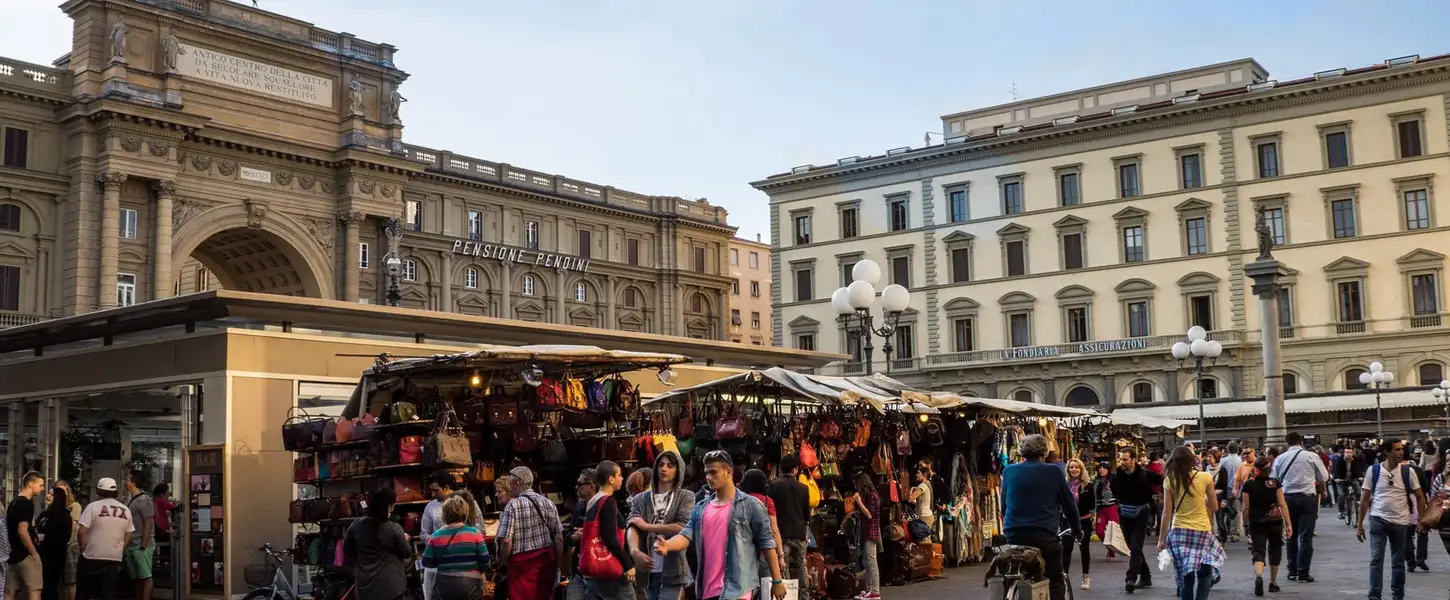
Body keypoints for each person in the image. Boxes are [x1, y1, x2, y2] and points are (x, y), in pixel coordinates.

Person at [655, 450, 785, 600]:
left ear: (728, 472)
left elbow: (767, 543)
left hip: (738, 589)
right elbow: (686, 534)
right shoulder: (701, 507)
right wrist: (667, 545)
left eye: (713, 472)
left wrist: (777, 580)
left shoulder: (750, 505)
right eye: (706, 473)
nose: (708, 477)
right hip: (707, 591)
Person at [1002, 434, 1081, 600]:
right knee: (1056, 578)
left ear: (1021, 452)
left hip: (1014, 534)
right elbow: (1069, 506)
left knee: (1012, 571)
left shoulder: (1009, 470)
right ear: (1044, 452)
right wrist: (1077, 529)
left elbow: (1004, 506)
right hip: (1044, 536)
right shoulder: (1054, 471)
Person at [1356, 439, 1428, 600]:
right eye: (1396, 450)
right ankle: (1374, 594)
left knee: (1398, 562)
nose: (1401, 453)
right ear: (1387, 452)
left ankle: (1398, 594)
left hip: (1400, 522)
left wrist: (1421, 519)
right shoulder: (1373, 471)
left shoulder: (1408, 472)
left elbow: (1420, 496)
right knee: (1376, 559)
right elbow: (1365, 498)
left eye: (1401, 449)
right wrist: (1360, 524)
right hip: (1377, 519)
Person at [1157, 445, 1223, 600]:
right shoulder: (1205, 477)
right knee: (1205, 575)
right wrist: (1202, 497)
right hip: (1202, 531)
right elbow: (1214, 507)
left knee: (1186, 577)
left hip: (1179, 530)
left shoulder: (1169, 480)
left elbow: (1166, 512)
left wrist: (1161, 539)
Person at [626, 451, 692, 600]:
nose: (664, 469)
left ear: (678, 470)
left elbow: (683, 527)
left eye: (670, 466)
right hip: (647, 570)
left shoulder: (686, 496)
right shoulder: (641, 499)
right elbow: (632, 525)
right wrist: (634, 551)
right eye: (661, 465)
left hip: (673, 569)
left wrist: (648, 527)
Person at [1271, 432, 1329, 583]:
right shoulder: (1311, 456)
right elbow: (1324, 476)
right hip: (1306, 499)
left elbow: (1274, 479)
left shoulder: (1280, 458)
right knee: (1305, 537)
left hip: (1287, 498)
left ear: (1287, 442)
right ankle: (1303, 573)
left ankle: (1292, 571)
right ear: (1301, 442)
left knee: (1291, 535)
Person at [496, 471, 563, 600]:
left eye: (510, 484)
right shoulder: (548, 503)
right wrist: (557, 566)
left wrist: (505, 561)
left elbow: (506, 541)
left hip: (520, 567)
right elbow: (558, 538)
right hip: (545, 564)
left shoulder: (512, 506)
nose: (510, 488)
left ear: (518, 482)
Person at [421, 473, 483, 600]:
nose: (433, 495)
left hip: (466, 570)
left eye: (436, 490)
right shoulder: (430, 507)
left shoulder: (469, 502)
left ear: (447, 487)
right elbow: (424, 534)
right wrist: (436, 543)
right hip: (441, 569)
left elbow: (481, 530)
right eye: (431, 491)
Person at [344, 487, 411, 600]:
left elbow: (347, 549)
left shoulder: (356, 525)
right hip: (391, 586)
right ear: (389, 507)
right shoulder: (393, 528)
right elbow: (406, 552)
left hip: (364, 586)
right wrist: (406, 539)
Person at [1111, 447, 1162, 592]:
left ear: (1134, 460)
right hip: (1125, 514)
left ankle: (1131, 578)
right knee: (1133, 548)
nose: (1122, 462)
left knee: (1135, 546)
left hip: (1141, 513)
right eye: (1121, 459)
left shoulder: (1144, 474)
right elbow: (1115, 491)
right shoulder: (1117, 476)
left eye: (1125, 459)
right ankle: (1146, 577)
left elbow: (1163, 481)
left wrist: (1160, 496)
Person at [76, 477, 133, 600]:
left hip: (92, 555)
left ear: (98, 491)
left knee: (84, 592)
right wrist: (120, 548)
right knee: (109, 592)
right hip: (114, 556)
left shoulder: (92, 507)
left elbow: (82, 531)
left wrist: (83, 548)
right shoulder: (125, 510)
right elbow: (129, 533)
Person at [1241, 456, 1290, 596]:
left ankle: (1259, 575)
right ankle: (1273, 583)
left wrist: (1245, 524)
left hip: (1256, 522)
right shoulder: (1275, 483)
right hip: (1275, 521)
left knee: (1258, 550)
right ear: (1268, 469)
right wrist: (1288, 524)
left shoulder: (1249, 484)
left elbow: (1245, 508)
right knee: (1275, 550)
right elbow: (1282, 504)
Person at [767, 455, 810, 600]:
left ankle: (787, 596)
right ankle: (804, 596)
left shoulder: (773, 486)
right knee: (802, 565)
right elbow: (806, 515)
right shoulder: (803, 488)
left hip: (781, 534)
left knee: (782, 566)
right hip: (799, 532)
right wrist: (805, 533)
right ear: (795, 469)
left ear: (780, 468)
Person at [739, 469, 786, 579]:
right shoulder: (766, 501)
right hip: (764, 553)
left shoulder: (739, 500)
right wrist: (780, 556)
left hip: (744, 553)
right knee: (766, 589)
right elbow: (774, 530)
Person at [8, 472, 44, 600]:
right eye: (40, 485)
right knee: (35, 589)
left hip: (13, 555)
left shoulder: (14, 502)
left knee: (10, 591)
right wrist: (34, 553)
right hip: (25, 554)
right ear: (31, 484)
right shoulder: (26, 503)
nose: (42, 488)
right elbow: (22, 531)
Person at [848, 471, 882, 599]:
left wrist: (858, 501)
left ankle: (875, 591)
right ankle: (869, 589)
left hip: (871, 531)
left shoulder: (872, 496)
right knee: (867, 562)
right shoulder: (870, 495)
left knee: (872, 561)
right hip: (867, 530)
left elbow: (869, 515)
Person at [566, 469, 598, 600]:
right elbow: (568, 536)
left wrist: (587, 536)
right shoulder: (579, 507)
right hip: (579, 572)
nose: (576, 487)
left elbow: (615, 537)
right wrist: (574, 537)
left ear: (591, 486)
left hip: (598, 573)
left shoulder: (605, 506)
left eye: (580, 484)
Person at [1063, 458, 1095, 591]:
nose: (1074, 469)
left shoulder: (1088, 485)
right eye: (1071, 467)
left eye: (1076, 467)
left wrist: (1074, 508)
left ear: (1081, 469)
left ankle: (1085, 576)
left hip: (1083, 520)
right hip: (1067, 521)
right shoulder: (1064, 485)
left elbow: (1091, 505)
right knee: (1066, 549)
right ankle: (1064, 577)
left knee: (1084, 548)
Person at [122, 472, 155, 600]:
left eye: (127, 480)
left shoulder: (144, 500)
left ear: (133, 483)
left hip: (140, 544)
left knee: (145, 575)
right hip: (132, 543)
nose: (126, 482)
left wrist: (144, 544)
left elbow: (148, 522)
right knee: (136, 577)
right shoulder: (130, 499)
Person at [37, 486, 71, 600]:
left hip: (53, 557)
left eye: (51, 494)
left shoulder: (64, 516)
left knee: (50, 587)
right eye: (48, 493)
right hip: (40, 554)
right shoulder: (44, 514)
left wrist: (45, 538)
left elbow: (63, 537)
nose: (48, 496)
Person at [51, 481, 78, 600]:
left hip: (70, 545)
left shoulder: (74, 506)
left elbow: (72, 527)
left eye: (64, 490)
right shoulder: (52, 507)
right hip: (57, 547)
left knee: (70, 581)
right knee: (59, 582)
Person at [1094, 463, 1119, 561]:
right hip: (1100, 508)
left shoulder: (1113, 480)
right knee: (1099, 531)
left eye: (1104, 468)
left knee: (1112, 530)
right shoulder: (1096, 481)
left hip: (1111, 507)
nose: (1101, 470)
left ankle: (1111, 552)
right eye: (1100, 468)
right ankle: (1110, 547)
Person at [907, 466, 935, 534]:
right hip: (928, 515)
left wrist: (911, 489)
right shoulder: (928, 484)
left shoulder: (922, 486)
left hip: (924, 517)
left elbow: (910, 499)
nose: (916, 475)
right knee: (926, 539)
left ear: (924, 474)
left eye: (918, 473)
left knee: (923, 541)